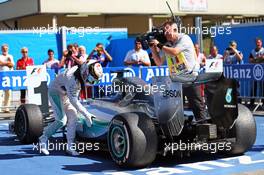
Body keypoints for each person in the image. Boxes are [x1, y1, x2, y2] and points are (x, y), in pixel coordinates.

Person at [38, 60, 103, 156]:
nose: (92, 82)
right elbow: (74, 100)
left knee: (73, 117)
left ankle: (70, 146)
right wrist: (86, 114)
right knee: (61, 121)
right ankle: (43, 138)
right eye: (92, 79)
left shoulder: (83, 70)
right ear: (85, 73)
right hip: (55, 93)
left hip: (66, 94)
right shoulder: (72, 79)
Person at [150, 20, 207, 122]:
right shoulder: (167, 44)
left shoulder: (184, 38)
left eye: (167, 30)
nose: (165, 33)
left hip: (191, 78)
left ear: (175, 29)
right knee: (173, 108)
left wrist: (159, 45)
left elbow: (175, 52)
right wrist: (153, 48)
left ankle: (204, 129)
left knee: (197, 107)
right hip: (177, 81)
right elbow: (158, 62)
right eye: (164, 31)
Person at [249, 38, 264, 106]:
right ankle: (252, 102)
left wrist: (255, 59)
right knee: (253, 87)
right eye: (257, 42)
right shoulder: (252, 51)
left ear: (261, 43)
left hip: (262, 72)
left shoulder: (263, 50)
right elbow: (250, 60)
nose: (258, 44)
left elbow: (263, 57)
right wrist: (259, 58)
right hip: (255, 71)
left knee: (262, 87)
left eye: (259, 42)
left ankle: (263, 103)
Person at [0, 44, 14, 113]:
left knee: (8, 93)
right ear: (1, 49)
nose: (5, 49)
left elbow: (11, 65)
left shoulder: (10, 56)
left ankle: (6, 108)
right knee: (0, 93)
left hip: (8, 76)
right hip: (1, 76)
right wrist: (7, 62)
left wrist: (4, 63)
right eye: (3, 48)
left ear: (8, 49)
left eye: (6, 48)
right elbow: (0, 63)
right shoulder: (0, 56)